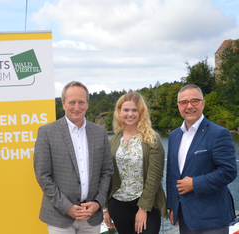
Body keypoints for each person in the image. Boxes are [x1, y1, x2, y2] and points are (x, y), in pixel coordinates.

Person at [33, 81, 114, 234]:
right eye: (72, 102)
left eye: (81, 102)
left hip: (91, 217)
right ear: (63, 103)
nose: (76, 107)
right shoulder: (47, 132)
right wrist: (67, 207)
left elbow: (107, 171)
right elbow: (43, 176)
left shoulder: (100, 132)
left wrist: (97, 203)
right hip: (59, 217)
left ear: (87, 104)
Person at [166, 84, 237, 233]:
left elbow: (228, 171)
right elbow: (172, 174)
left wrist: (194, 183)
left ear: (203, 103)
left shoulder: (219, 133)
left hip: (212, 218)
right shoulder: (174, 136)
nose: (189, 106)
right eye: (184, 102)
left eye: (194, 101)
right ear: (179, 106)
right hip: (184, 217)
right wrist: (173, 206)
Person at [104, 92, 168, 234]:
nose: (130, 114)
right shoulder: (112, 142)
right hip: (118, 205)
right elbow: (106, 176)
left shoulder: (152, 139)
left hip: (147, 204)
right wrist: (105, 208)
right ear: (119, 113)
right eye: (126, 110)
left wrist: (143, 208)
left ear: (141, 112)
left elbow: (155, 176)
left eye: (134, 110)